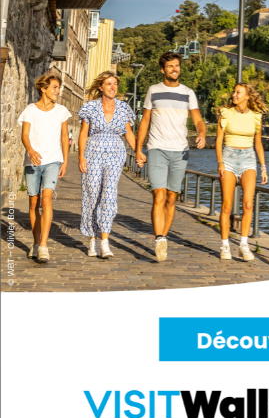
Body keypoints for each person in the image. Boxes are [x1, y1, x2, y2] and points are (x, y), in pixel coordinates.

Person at [135, 51, 206, 262]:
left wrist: (201, 134)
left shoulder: (188, 93)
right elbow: (145, 121)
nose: (175, 69)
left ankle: (163, 236)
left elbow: (198, 120)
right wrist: (138, 149)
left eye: (177, 65)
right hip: (157, 147)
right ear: (162, 70)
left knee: (172, 197)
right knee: (159, 194)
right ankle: (159, 239)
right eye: (170, 66)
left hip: (180, 150)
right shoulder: (153, 90)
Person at [78, 71, 136, 259]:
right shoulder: (90, 107)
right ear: (100, 87)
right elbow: (83, 134)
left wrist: (138, 152)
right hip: (93, 153)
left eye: (115, 84)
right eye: (109, 83)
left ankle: (105, 241)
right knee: (92, 194)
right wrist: (81, 157)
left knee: (109, 195)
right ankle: (92, 239)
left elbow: (128, 133)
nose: (113, 87)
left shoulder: (123, 108)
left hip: (115, 154)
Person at [18, 72, 71, 263]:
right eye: (54, 87)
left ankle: (43, 246)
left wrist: (65, 161)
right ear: (43, 88)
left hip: (53, 161)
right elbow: (25, 135)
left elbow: (64, 137)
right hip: (32, 161)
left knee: (47, 199)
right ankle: (35, 242)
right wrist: (30, 150)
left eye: (58, 88)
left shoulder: (62, 111)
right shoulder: (30, 110)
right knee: (34, 203)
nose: (58, 91)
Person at [216, 82, 268, 262]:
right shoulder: (225, 113)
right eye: (234, 92)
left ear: (247, 96)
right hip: (228, 158)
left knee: (248, 205)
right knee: (227, 205)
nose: (234, 95)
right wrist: (220, 162)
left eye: (238, 92)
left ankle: (243, 245)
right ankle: (224, 246)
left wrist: (263, 167)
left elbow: (258, 144)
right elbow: (218, 141)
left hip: (248, 159)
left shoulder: (256, 116)